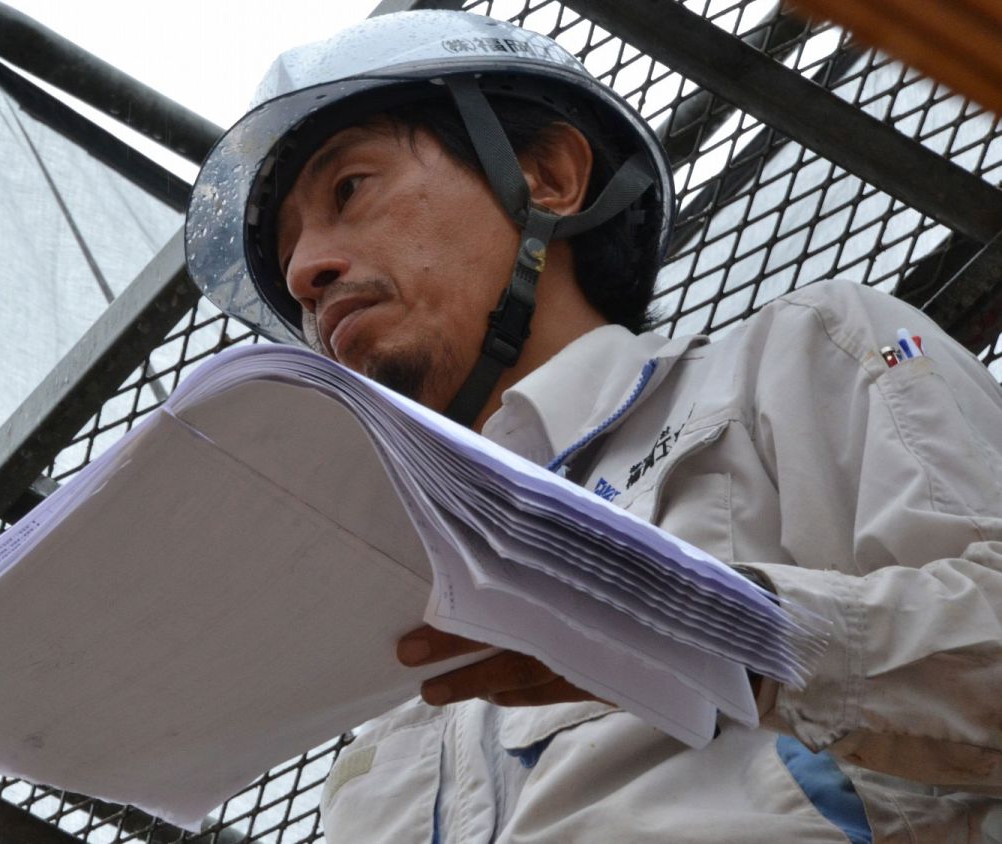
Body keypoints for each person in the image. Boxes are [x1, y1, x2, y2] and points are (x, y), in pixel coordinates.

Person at [184, 10, 1002, 844]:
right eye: (287, 263)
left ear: (547, 174)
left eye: (350, 187)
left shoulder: (800, 356)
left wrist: (706, 630)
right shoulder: (392, 638)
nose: (303, 273)